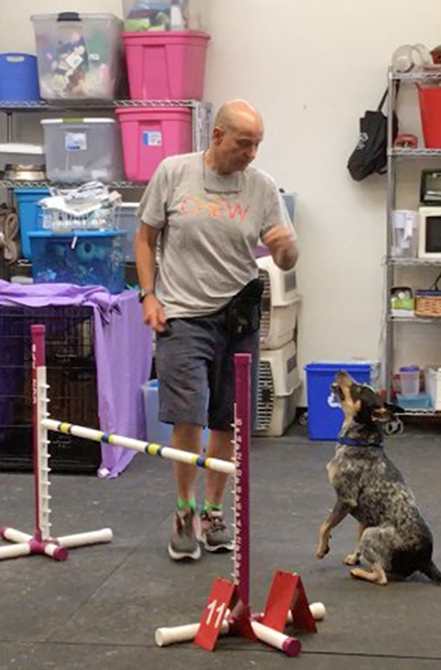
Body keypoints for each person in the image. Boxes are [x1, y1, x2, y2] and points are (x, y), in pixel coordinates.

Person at [135, 99, 298, 561]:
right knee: (187, 417)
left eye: (257, 145)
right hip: (182, 314)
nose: (251, 153)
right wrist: (148, 295)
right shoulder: (173, 173)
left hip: (238, 316)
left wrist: (287, 251)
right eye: (244, 143)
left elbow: (282, 251)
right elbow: (145, 238)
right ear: (218, 136)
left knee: (229, 419)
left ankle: (212, 512)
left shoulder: (261, 188)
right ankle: (184, 510)